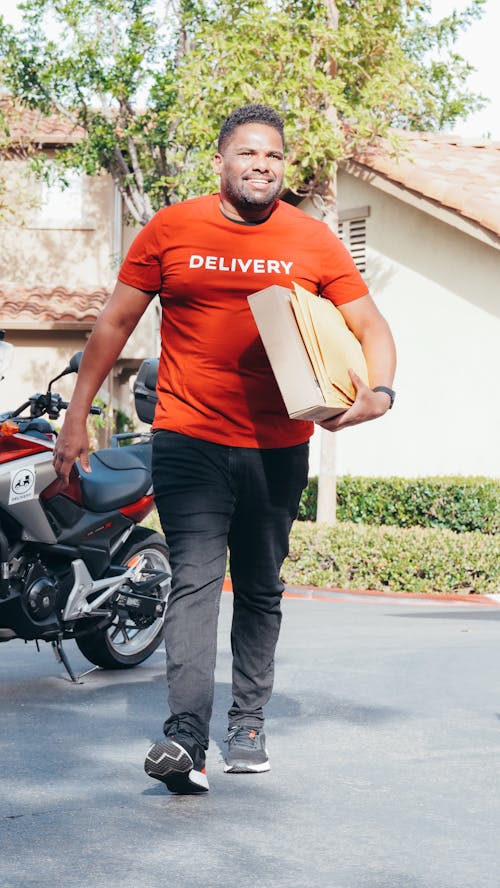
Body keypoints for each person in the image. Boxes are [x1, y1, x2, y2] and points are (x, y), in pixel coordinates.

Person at [53, 103, 396, 795]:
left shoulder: (313, 240)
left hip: (279, 442)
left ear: (284, 166)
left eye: (272, 155)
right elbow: (115, 323)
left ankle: (247, 721)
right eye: (247, 153)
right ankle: (185, 737)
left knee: (262, 587)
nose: (261, 165)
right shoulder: (172, 228)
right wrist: (77, 415)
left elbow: (371, 325)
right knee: (196, 583)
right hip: (189, 437)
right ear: (221, 161)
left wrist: (380, 394)